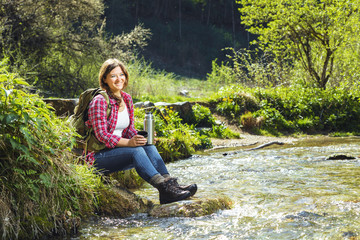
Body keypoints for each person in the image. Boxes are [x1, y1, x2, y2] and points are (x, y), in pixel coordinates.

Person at [85, 58, 197, 204]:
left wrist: (142, 138)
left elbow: (129, 130)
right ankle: (163, 188)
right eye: (113, 76)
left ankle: (170, 185)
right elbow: (102, 135)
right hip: (96, 157)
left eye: (121, 74)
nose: (119, 79)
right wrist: (130, 143)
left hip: (116, 152)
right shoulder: (99, 101)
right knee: (135, 151)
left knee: (147, 145)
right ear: (105, 79)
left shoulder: (127, 98)